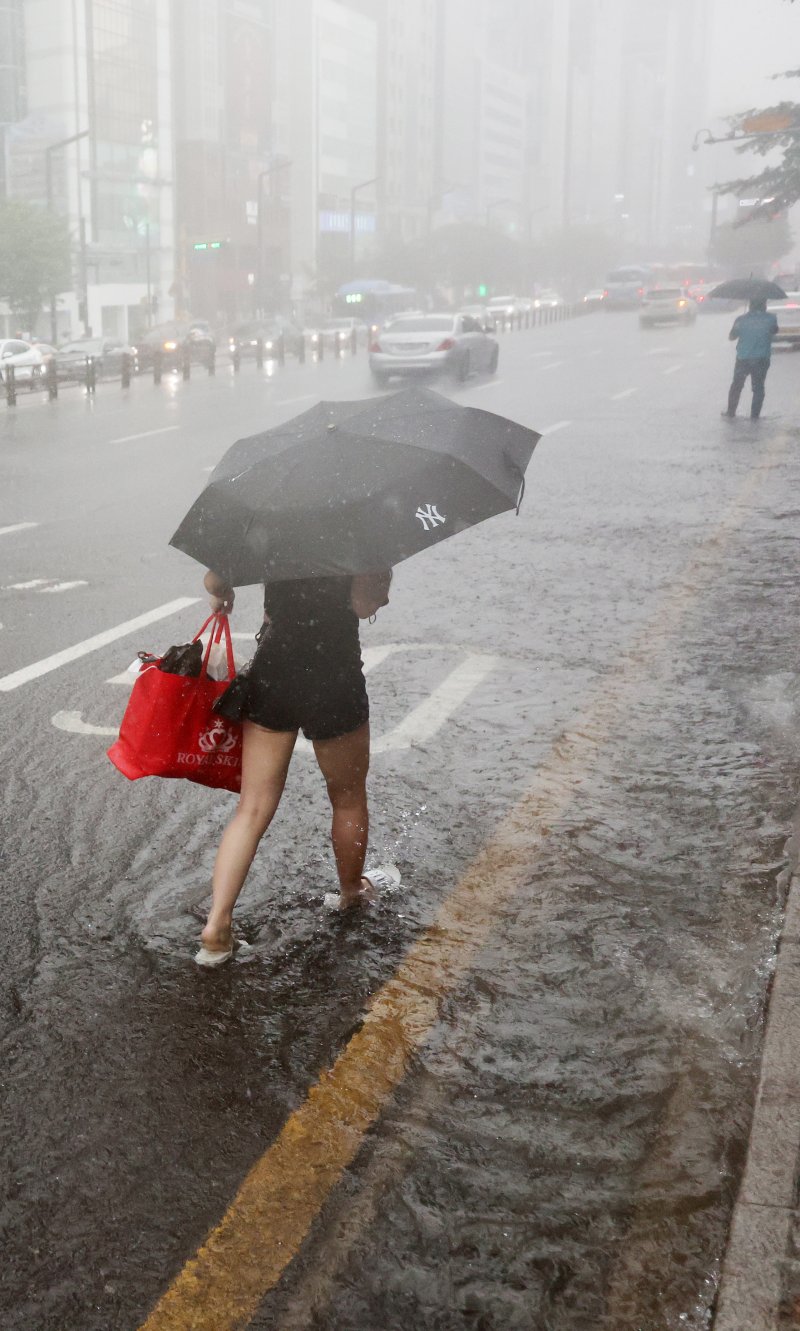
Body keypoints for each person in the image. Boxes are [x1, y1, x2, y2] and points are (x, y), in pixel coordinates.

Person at [194, 567, 396, 966]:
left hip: (276, 669)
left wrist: (222, 594)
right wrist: (379, 582)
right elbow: (362, 604)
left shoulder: (274, 519)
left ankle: (216, 926)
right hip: (333, 676)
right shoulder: (361, 526)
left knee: (252, 809)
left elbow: (216, 581)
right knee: (348, 796)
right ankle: (351, 893)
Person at [722, 297, 779, 420]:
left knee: (737, 385)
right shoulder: (771, 318)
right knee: (758, 386)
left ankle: (731, 412)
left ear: (750, 306)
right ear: (764, 306)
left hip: (743, 358)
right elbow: (774, 331)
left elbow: (731, 337)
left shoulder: (741, 320)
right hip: (762, 358)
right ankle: (755, 415)